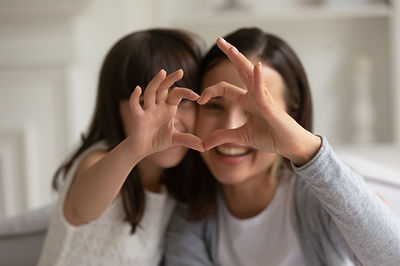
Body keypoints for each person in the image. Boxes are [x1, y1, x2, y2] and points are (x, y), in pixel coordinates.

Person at [164, 28, 400, 266]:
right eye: (214, 107)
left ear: (292, 117)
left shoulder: (322, 196)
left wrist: (307, 150)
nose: (230, 129)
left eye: (255, 111)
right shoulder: (189, 213)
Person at [38, 28, 204, 266]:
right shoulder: (97, 160)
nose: (169, 120)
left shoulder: (173, 185)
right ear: (115, 107)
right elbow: (83, 208)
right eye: (150, 103)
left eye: (183, 101)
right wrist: (135, 147)